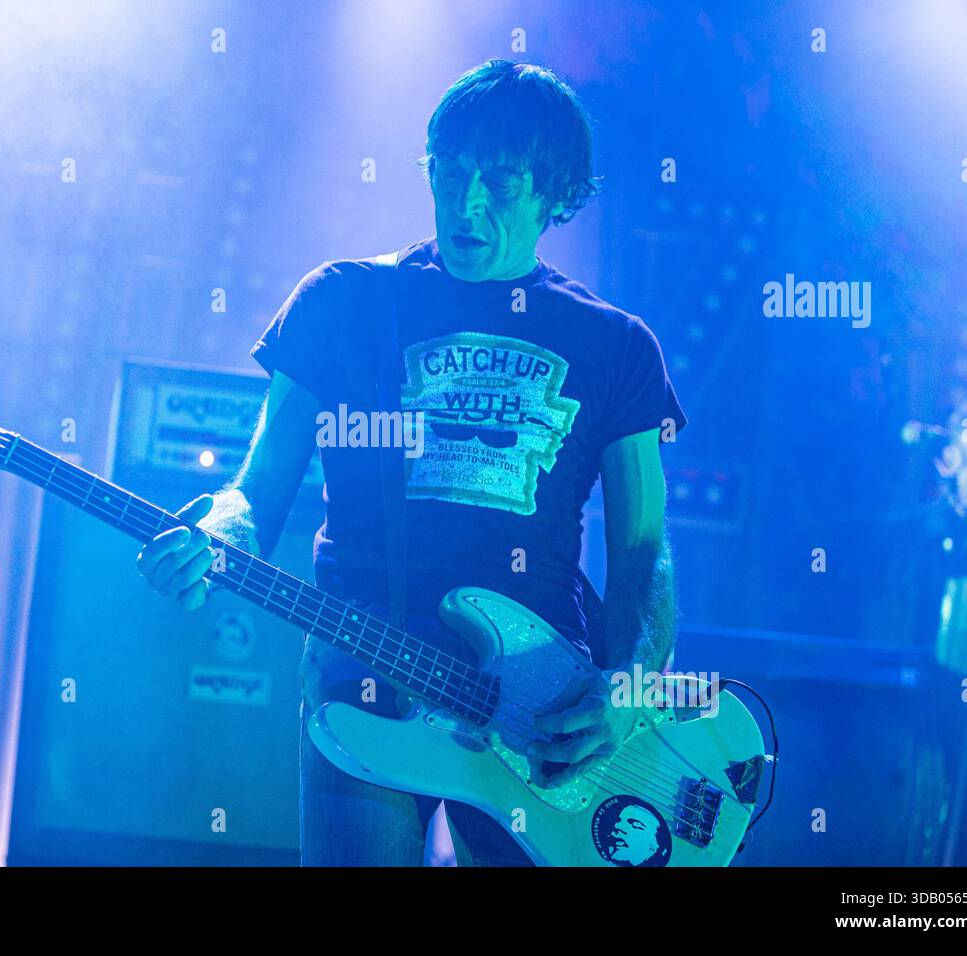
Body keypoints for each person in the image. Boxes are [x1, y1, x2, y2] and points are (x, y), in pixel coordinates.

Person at [138, 59, 686, 865]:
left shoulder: (616, 345)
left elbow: (642, 547)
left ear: (555, 193)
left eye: (500, 183)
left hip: (541, 698)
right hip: (367, 662)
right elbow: (256, 490)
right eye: (451, 173)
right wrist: (220, 534)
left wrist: (629, 687)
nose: (467, 204)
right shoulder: (342, 301)